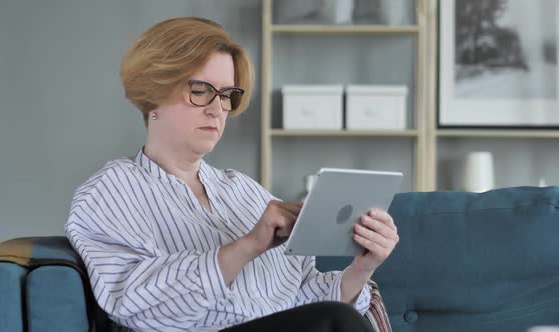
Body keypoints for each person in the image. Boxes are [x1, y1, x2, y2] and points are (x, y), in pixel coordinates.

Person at [65, 17, 399, 332]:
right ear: (154, 93)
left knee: (333, 318)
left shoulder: (244, 192)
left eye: (226, 95)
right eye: (200, 90)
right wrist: (246, 247)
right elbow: (133, 304)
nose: (216, 109)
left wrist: (363, 266)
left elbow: (302, 303)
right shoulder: (109, 193)